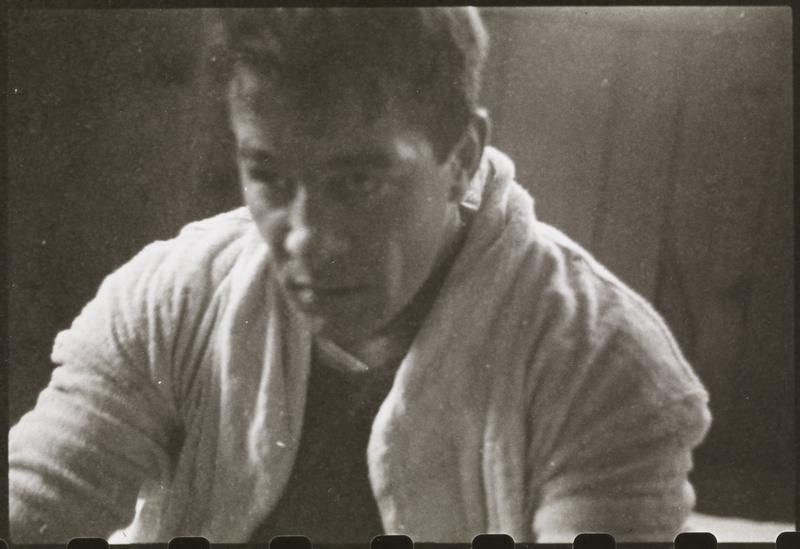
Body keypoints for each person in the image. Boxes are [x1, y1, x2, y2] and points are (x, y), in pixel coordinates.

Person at [8, 7, 711, 543]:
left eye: (358, 182)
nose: (307, 238)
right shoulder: (170, 298)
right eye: (269, 177)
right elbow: (30, 505)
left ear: (463, 157)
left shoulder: (603, 358)